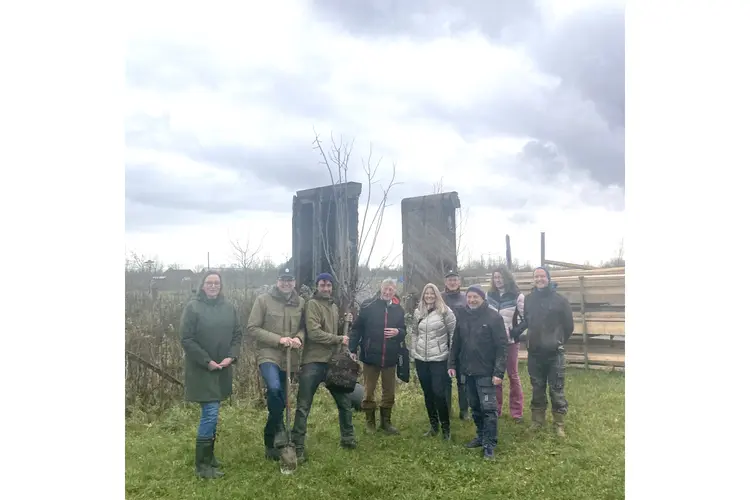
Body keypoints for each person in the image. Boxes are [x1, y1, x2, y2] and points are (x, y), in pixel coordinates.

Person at [180, 270, 242, 479]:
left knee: (213, 414)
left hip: (222, 369)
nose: (213, 285)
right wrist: (207, 361)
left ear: (221, 285)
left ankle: (210, 457)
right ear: (202, 285)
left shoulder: (229, 307)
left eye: (216, 282)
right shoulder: (193, 307)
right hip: (201, 369)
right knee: (210, 414)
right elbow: (186, 339)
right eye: (209, 282)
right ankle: (202, 465)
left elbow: (237, 334)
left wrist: (231, 357)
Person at [291, 273, 356, 463]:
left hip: (333, 362)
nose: (326, 288)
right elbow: (314, 333)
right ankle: (298, 447)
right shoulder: (312, 304)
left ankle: (348, 439)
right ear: (317, 286)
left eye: (328, 285)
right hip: (313, 361)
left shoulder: (334, 307)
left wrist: (345, 323)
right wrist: (338, 339)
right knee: (303, 406)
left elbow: (334, 332)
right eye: (322, 285)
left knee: (344, 402)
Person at [247, 266, 305, 460]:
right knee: (274, 389)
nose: (286, 283)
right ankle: (278, 429)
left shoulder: (300, 303)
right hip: (269, 353)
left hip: (290, 357)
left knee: (281, 396)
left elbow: (305, 328)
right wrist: (278, 339)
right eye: (283, 280)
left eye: (290, 280)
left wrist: (299, 337)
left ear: (294, 282)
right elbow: (253, 328)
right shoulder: (263, 300)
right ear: (277, 281)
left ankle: (272, 442)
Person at [512, 266, 574, 437]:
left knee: (556, 388)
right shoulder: (529, 300)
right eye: (536, 276)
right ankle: (537, 421)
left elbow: (569, 326)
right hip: (535, 353)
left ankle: (559, 423)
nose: (539, 279)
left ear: (548, 278)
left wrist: (557, 341)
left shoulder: (560, 301)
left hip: (555, 353)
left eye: (542, 276)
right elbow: (527, 321)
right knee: (537, 387)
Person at [448, 285, 507, 460]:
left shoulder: (494, 317)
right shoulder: (463, 315)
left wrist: (499, 372)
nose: (472, 300)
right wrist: (452, 363)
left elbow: (502, 347)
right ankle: (481, 436)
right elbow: (456, 342)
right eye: (469, 297)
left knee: (488, 409)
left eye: (476, 297)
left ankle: (490, 444)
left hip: (486, 372)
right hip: (467, 370)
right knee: (474, 407)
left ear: (483, 298)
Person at [348, 278, 407, 435]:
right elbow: (357, 329)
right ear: (380, 289)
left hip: (390, 357)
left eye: (391, 290)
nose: (388, 292)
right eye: (385, 289)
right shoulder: (368, 305)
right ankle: (370, 422)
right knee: (368, 391)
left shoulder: (398, 309)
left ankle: (386, 423)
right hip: (370, 356)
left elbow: (403, 330)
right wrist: (352, 348)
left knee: (389, 392)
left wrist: (398, 332)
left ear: (395, 291)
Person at [412, 283, 456, 440]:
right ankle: (433, 425)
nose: (429, 296)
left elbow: (453, 334)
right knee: (428, 393)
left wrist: (451, 356)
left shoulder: (445, 312)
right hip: (421, 359)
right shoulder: (418, 312)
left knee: (439, 393)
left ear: (437, 295)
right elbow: (414, 333)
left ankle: (446, 428)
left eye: (432, 293)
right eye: (426, 293)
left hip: (439, 358)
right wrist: (414, 351)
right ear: (423, 295)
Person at [487, 265, 525, 423]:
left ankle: (517, 412)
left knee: (513, 375)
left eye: (500, 277)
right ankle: (496, 409)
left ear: (506, 278)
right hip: (492, 342)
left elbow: (525, 319)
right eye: (495, 278)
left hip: (510, 343)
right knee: (496, 376)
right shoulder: (490, 295)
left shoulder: (517, 296)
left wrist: (514, 332)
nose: (498, 280)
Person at [441, 270, 469, 420]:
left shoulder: (465, 298)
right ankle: (447, 410)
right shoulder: (440, 298)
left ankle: (464, 411)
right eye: (449, 280)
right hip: (444, 343)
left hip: (462, 344)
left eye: (455, 280)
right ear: (445, 282)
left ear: (459, 282)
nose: (452, 282)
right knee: (445, 379)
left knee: (463, 379)